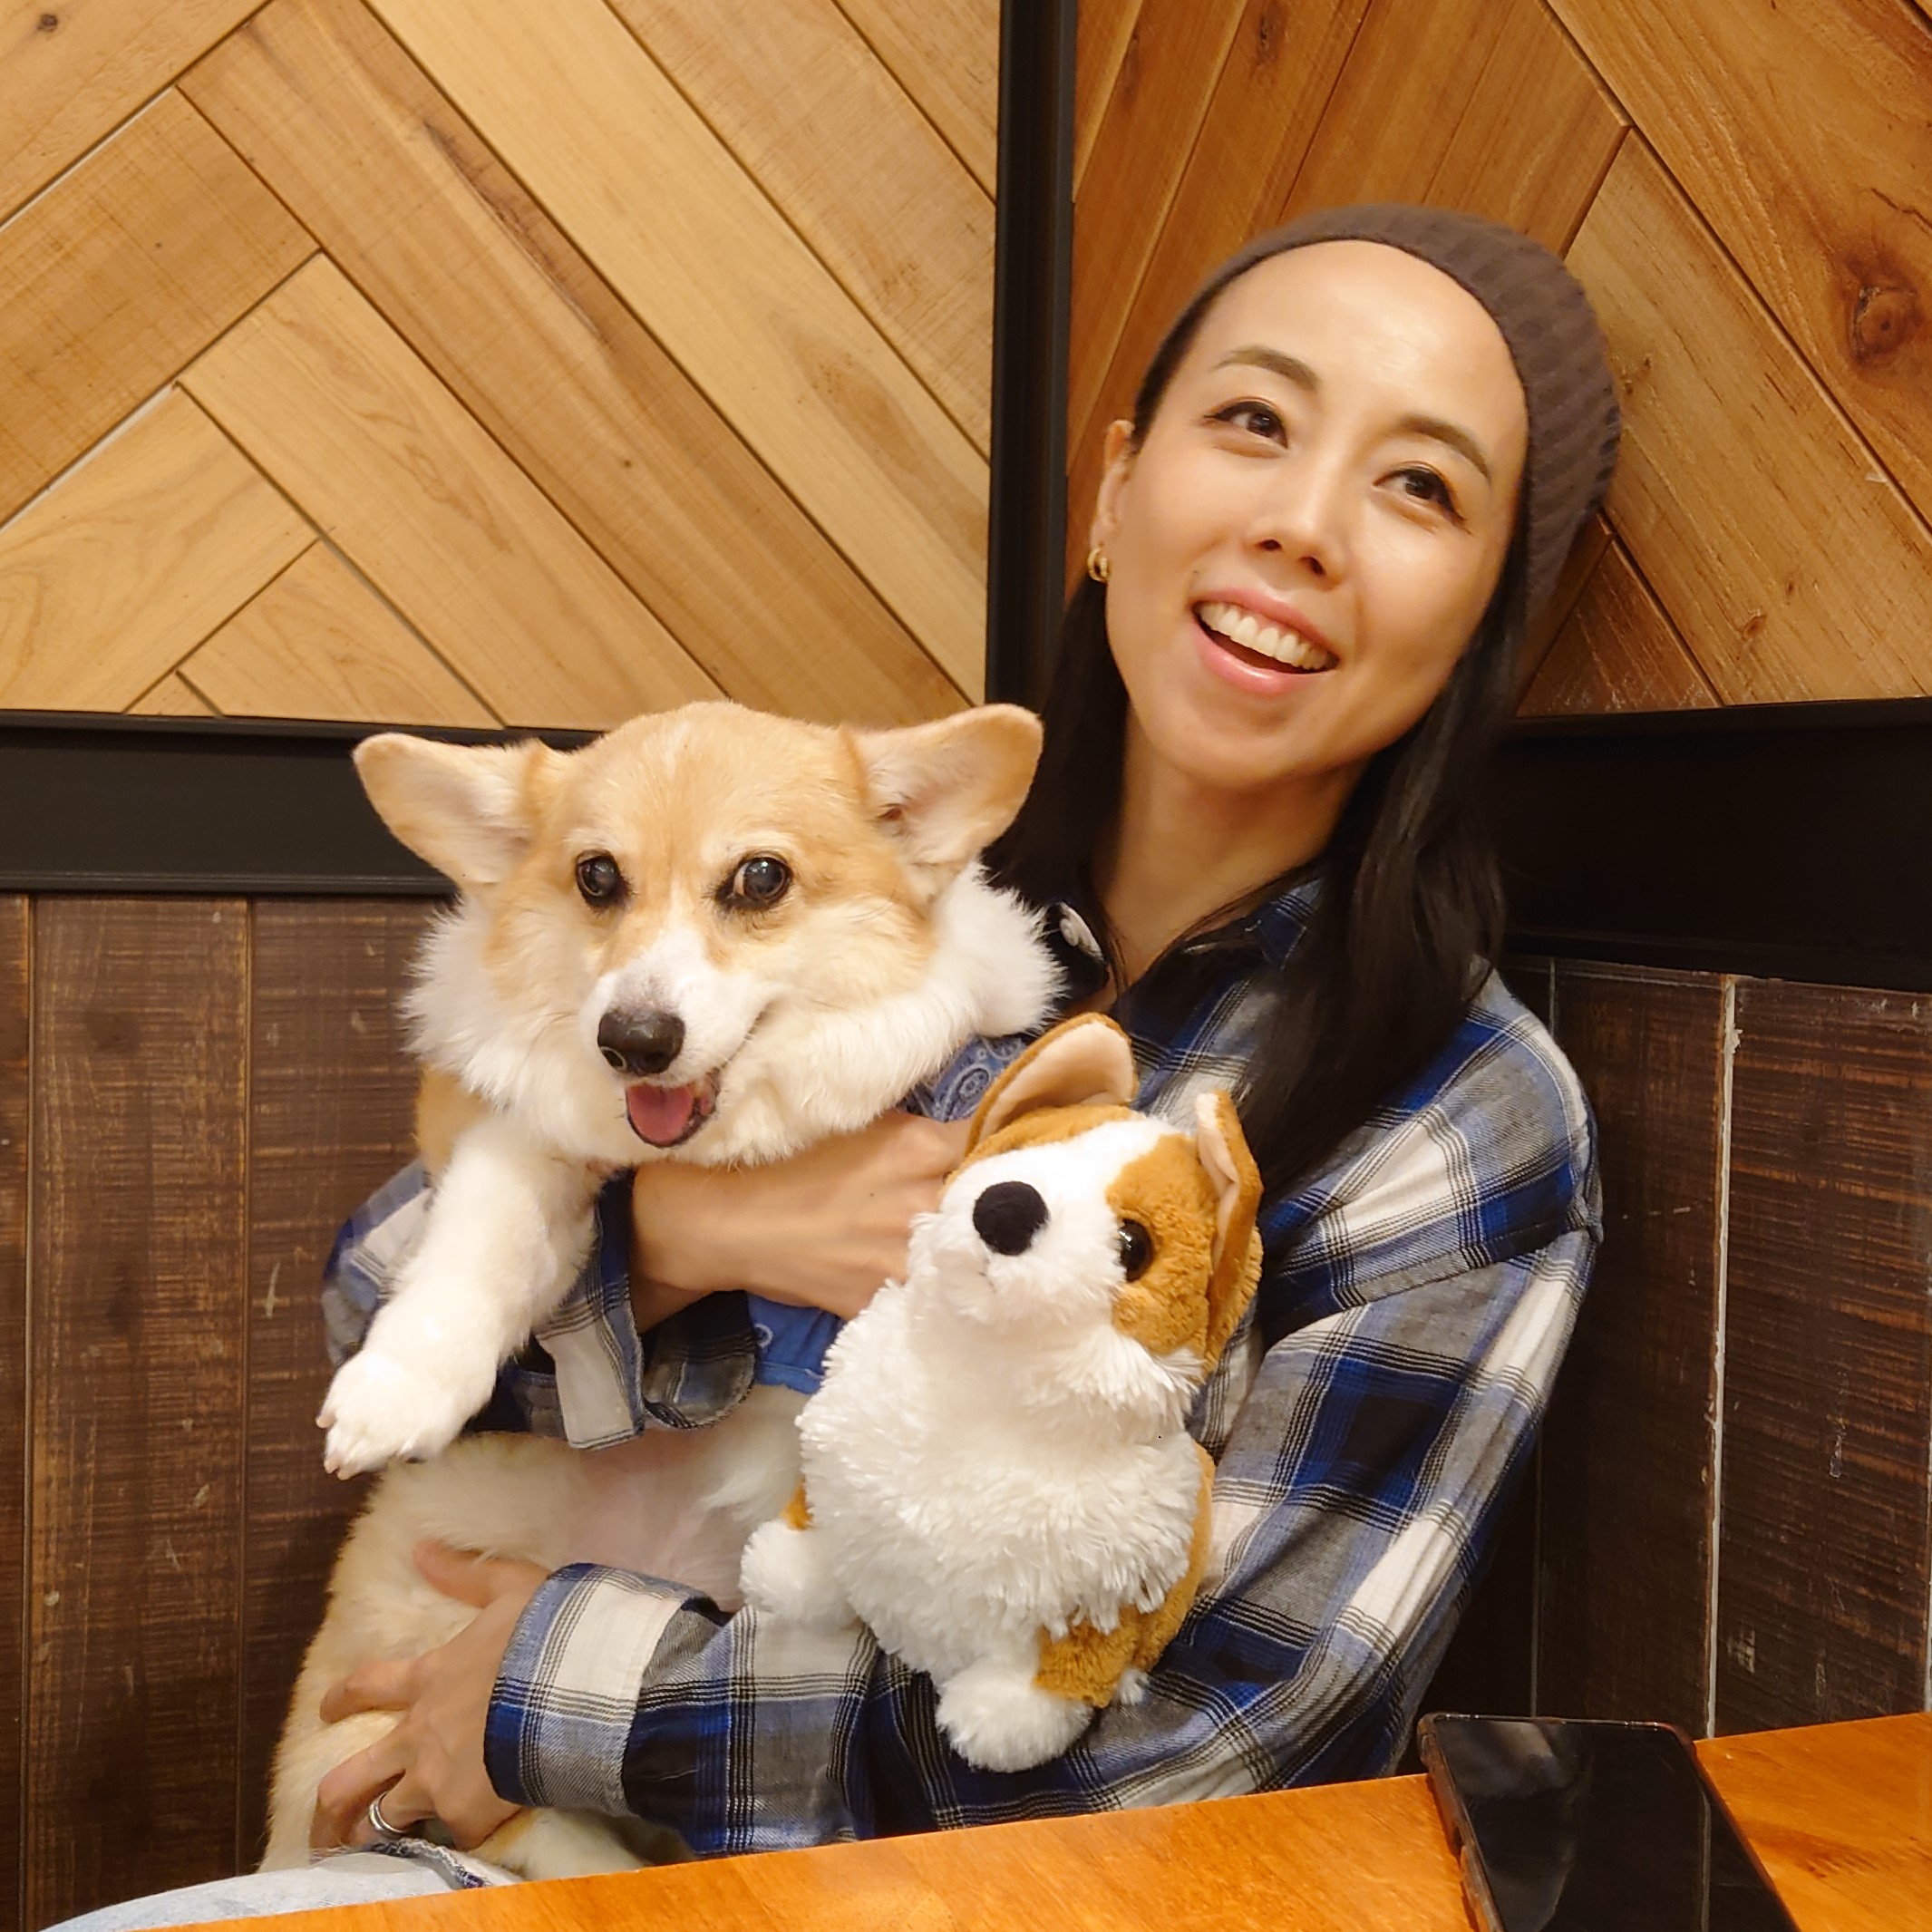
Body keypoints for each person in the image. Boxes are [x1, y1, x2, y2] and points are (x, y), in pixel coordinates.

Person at [51, 203, 1616, 1927]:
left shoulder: (1459, 1120)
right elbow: (374, 1316)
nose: (1302, 523)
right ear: (1114, 493)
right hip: (468, 1846)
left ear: (1487, 617)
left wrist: (556, 1695)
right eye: (1256, 418)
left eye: (1420, 487)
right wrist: (680, 1240)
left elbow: (1201, 1749)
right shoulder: (872, 920)